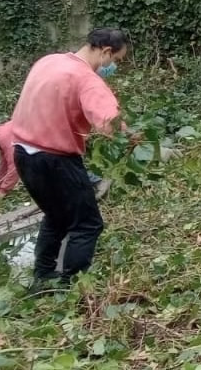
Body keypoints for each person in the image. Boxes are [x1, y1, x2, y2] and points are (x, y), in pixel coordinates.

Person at [9, 28, 130, 287]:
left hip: (22, 153)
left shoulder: (49, 61)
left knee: (56, 215)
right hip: (55, 160)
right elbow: (111, 123)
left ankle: (42, 277)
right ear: (106, 52)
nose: (113, 66)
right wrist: (134, 137)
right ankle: (72, 286)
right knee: (87, 224)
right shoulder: (86, 79)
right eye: (116, 60)